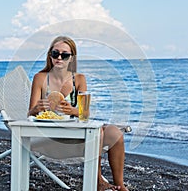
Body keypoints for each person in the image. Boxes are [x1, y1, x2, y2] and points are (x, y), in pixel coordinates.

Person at [28, 36, 128, 191]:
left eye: (65, 55)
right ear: (50, 55)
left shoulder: (79, 79)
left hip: (75, 133)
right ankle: (97, 181)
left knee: (115, 133)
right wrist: (37, 109)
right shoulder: (40, 78)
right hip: (50, 136)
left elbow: (85, 114)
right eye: (55, 53)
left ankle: (120, 186)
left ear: (72, 58)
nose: (59, 58)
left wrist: (73, 110)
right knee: (97, 133)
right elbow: (31, 112)